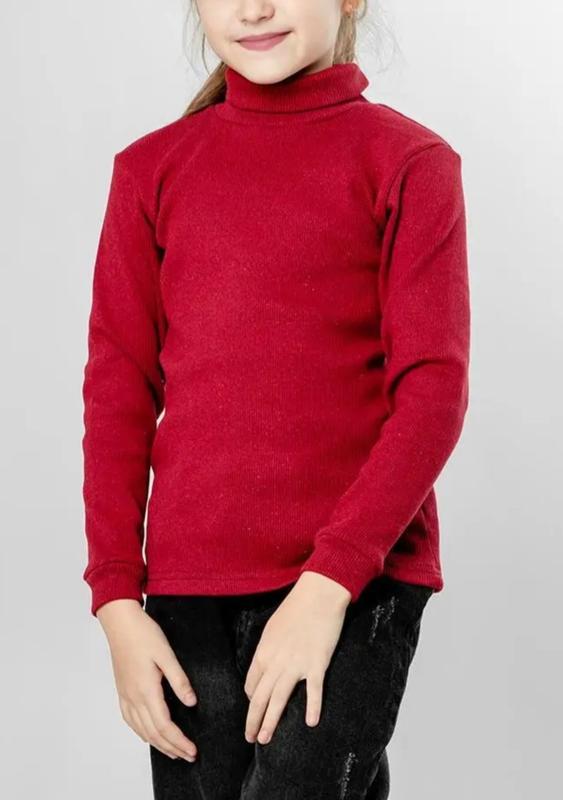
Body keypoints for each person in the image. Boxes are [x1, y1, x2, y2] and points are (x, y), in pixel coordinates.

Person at [81, 1, 470, 798]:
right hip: (187, 591)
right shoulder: (150, 170)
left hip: (353, 579)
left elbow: (433, 390)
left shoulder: (408, 162)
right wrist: (117, 603)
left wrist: (327, 586)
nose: (252, 7)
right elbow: (118, 389)